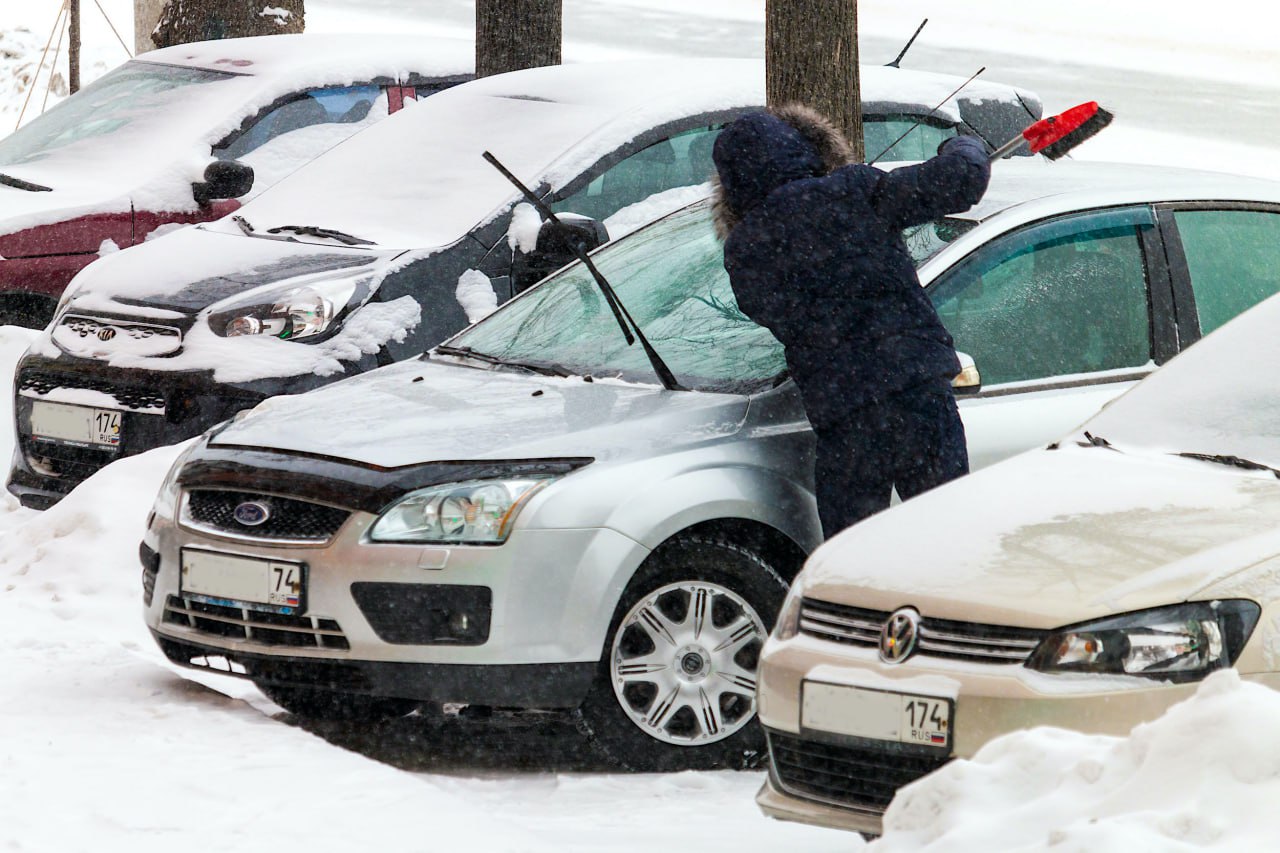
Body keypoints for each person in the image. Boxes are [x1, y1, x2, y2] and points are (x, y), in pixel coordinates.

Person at [711, 104, 992, 539]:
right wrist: (965, 146)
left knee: (850, 548)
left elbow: (768, 311)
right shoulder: (855, 190)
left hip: (844, 414)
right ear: (802, 147)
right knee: (947, 536)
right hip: (917, 393)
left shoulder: (745, 248)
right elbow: (959, 181)